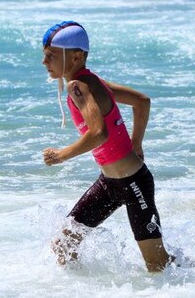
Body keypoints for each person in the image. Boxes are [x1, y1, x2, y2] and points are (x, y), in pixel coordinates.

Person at [40, 21, 174, 272]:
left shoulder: (78, 86)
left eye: (51, 56)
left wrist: (61, 155)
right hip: (109, 184)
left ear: (76, 57)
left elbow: (99, 133)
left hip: (133, 184)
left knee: (158, 265)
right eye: (44, 55)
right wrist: (136, 144)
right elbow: (141, 102)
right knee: (64, 245)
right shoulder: (94, 82)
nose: (44, 62)